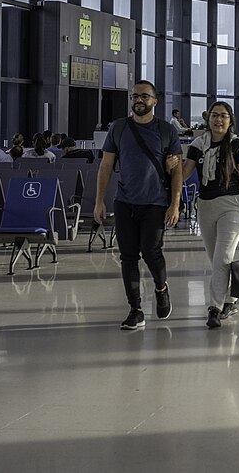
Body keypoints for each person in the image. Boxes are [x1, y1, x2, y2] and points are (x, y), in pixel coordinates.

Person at [95, 80, 184, 331]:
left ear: (155, 101)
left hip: (155, 203)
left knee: (151, 252)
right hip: (125, 202)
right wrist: (99, 200)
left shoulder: (166, 131)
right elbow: (106, 166)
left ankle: (161, 288)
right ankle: (135, 309)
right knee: (128, 257)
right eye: (135, 96)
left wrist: (175, 204)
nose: (139, 100)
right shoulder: (119, 128)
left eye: (144, 96)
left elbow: (177, 171)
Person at [183, 101, 239, 330]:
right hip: (205, 206)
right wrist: (171, 167)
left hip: (232, 206)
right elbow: (185, 173)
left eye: (223, 116)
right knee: (217, 259)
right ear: (208, 119)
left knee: (221, 259)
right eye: (214, 115)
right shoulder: (198, 145)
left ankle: (214, 308)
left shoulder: (237, 145)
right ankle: (231, 299)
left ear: (230, 120)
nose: (218, 120)